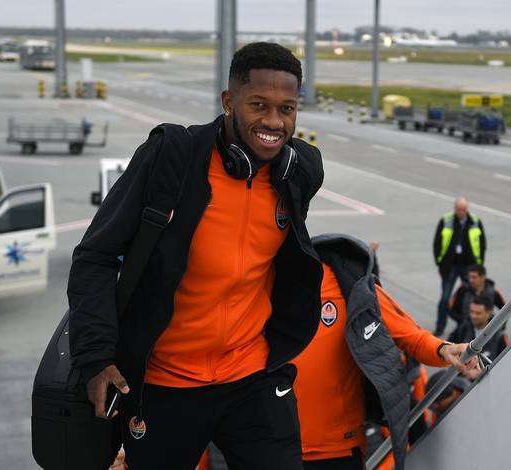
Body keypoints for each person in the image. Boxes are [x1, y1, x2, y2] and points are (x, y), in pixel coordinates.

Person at [68, 42, 325, 470]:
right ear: (228, 102)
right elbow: (94, 256)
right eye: (258, 105)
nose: (274, 122)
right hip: (165, 383)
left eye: (287, 109)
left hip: (253, 375)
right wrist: (95, 358)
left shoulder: (299, 171)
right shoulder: (173, 157)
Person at [293, 234, 479, 470]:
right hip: (274, 445)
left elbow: (412, 337)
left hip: (337, 449)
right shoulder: (262, 288)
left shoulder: (350, 284)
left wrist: (444, 349)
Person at [432, 196, 486, 336]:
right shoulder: (446, 221)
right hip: (450, 266)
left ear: (467, 209)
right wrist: (439, 261)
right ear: (455, 209)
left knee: (470, 298)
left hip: (469, 267)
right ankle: (440, 326)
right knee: (445, 298)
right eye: (459, 209)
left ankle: (467, 327)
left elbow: (482, 244)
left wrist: (479, 266)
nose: (461, 212)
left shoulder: (475, 221)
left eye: (464, 209)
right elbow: (437, 242)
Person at [448, 295, 510, 361]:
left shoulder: (500, 337)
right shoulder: (464, 327)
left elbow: (506, 361)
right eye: (472, 312)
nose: (473, 316)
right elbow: (450, 348)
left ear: (489, 313)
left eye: (478, 313)